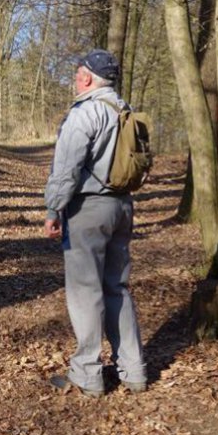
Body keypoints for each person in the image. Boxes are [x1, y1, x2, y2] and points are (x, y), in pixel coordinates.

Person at [43, 50, 147, 398]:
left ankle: (88, 374)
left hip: (88, 210)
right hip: (122, 208)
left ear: (87, 78)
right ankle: (134, 371)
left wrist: (53, 209)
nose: (74, 78)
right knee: (117, 288)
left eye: (77, 72)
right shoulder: (124, 111)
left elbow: (66, 167)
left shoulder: (85, 112)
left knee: (85, 293)